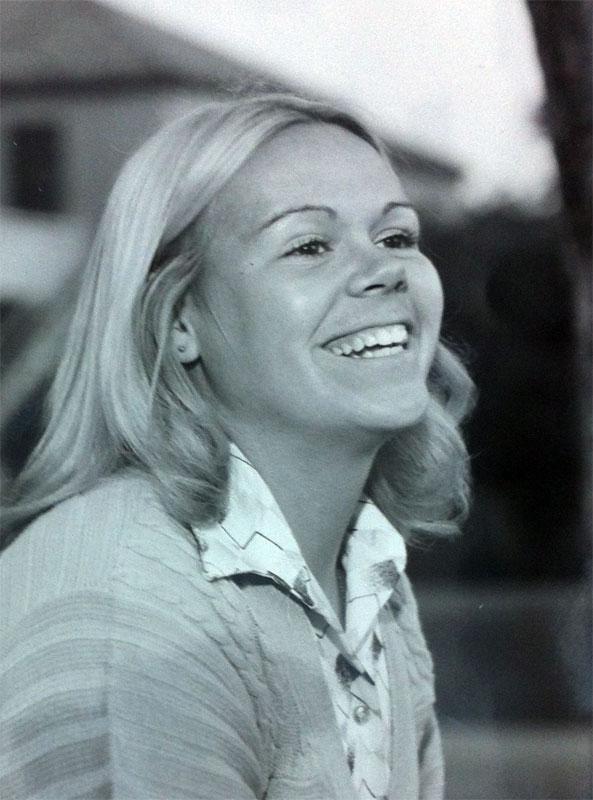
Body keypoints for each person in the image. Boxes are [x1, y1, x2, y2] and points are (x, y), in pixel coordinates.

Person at [1, 93, 473, 800]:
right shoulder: (130, 605)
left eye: (397, 236)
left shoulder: (371, 574)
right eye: (309, 245)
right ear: (177, 318)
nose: (385, 270)